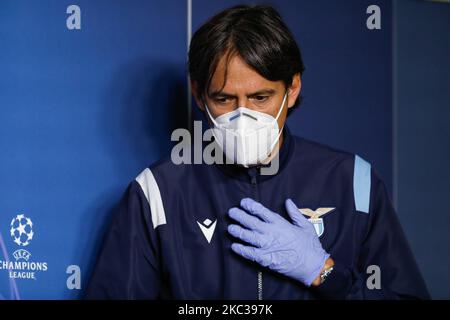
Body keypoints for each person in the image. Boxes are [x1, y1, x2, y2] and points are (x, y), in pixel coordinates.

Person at [85, 5, 429, 299]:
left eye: (260, 98)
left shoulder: (353, 182)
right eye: (224, 99)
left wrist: (325, 274)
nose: (243, 115)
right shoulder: (158, 193)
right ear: (198, 93)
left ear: (292, 88)